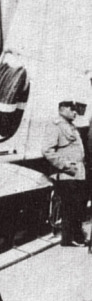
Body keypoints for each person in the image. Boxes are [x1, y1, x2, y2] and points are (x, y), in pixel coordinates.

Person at [42, 100, 88, 247]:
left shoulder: (71, 126)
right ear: (62, 109)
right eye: (72, 109)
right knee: (70, 207)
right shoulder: (55, 125)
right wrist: (67, 166)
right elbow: (47, 151)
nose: (75, 112)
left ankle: (77, 236)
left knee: (78, 206)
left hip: (77, 174)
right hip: (66, 175)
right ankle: (69, 239)